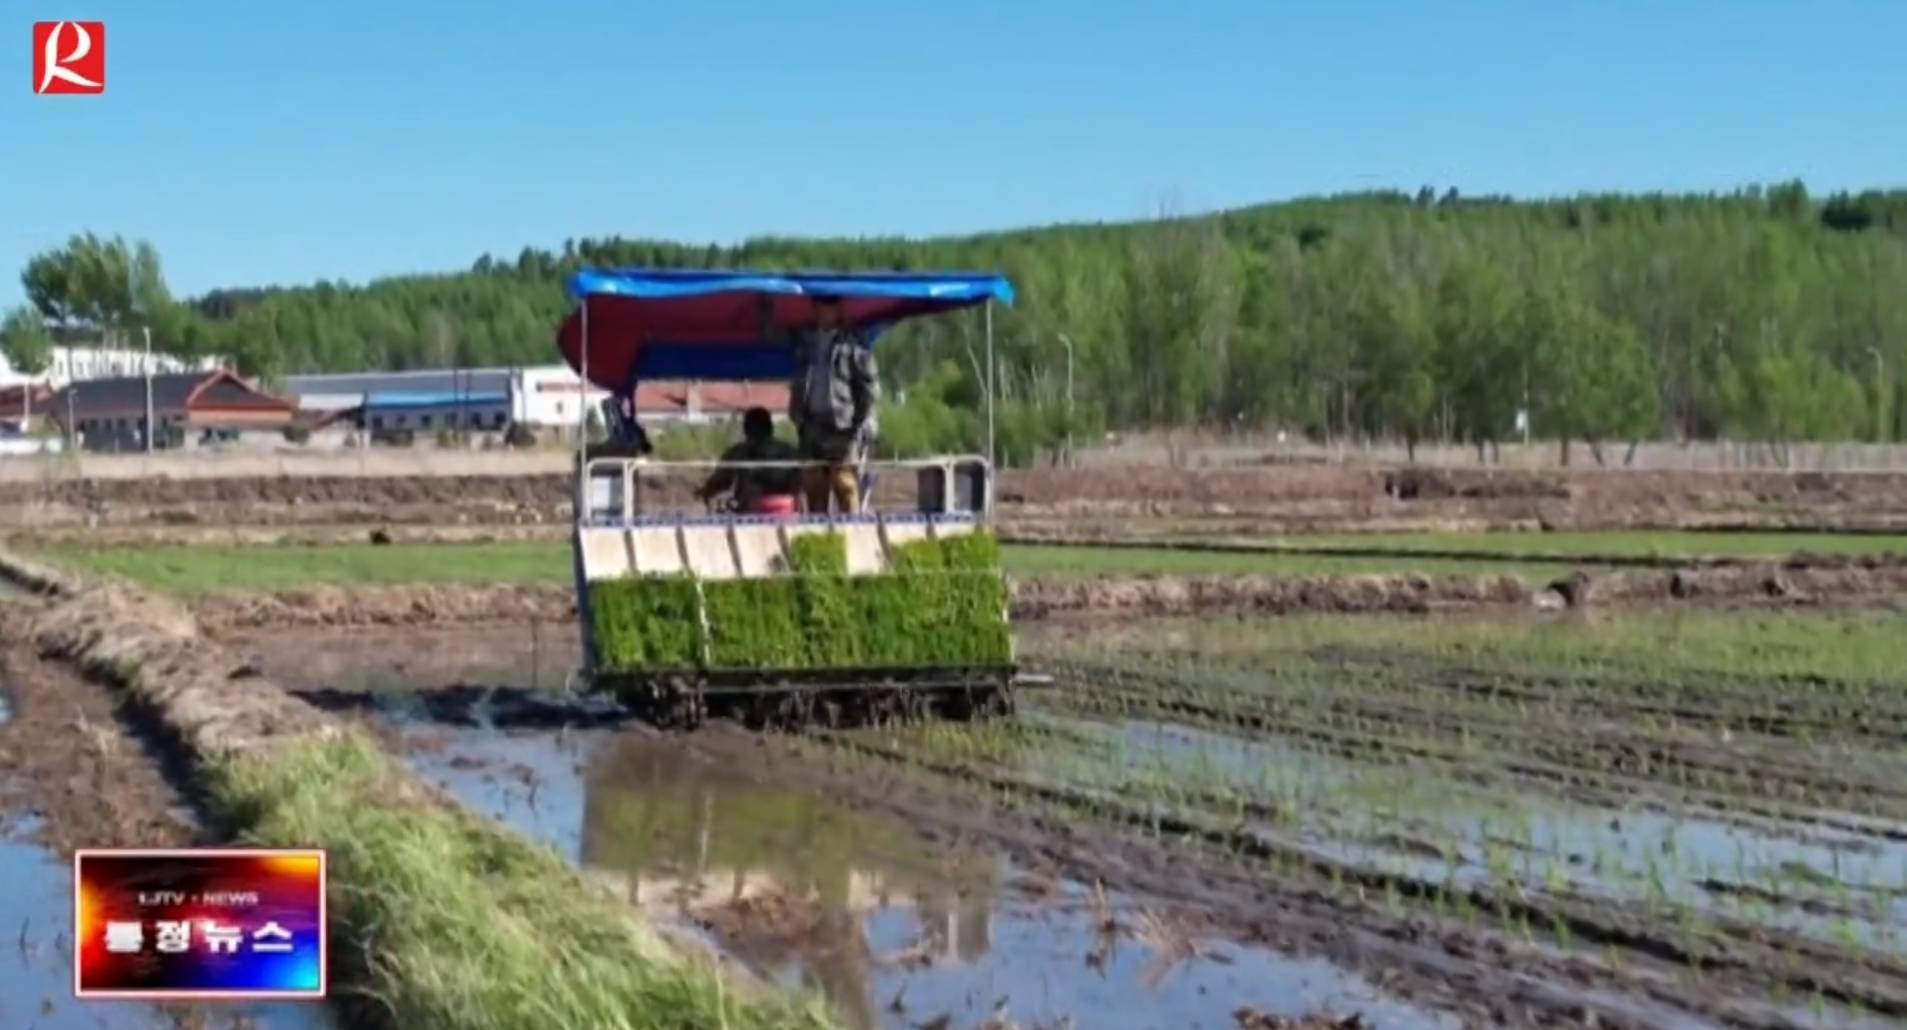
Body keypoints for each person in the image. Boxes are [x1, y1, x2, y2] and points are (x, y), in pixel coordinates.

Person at [766, 293, 879, 514]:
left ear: (837, 310)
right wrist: (766, 307)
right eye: (818, 307)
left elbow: (869, 385)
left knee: (845, 483)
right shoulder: (805, 338)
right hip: (811, 423)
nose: (822, 312)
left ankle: (853, 529)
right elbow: (771, 335)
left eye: (827, 307)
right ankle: (818, 532)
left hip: (842, 425)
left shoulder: (852, 343)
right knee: (813, 484)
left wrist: (868, 418)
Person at [696, 406, 801, 514]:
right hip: (787, 509)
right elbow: (800, 480)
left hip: (750, 510)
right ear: (770, 427)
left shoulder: (739, 452)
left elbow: (721, 481)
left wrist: (706, 491)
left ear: (746, 429)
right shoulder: (790, 451)